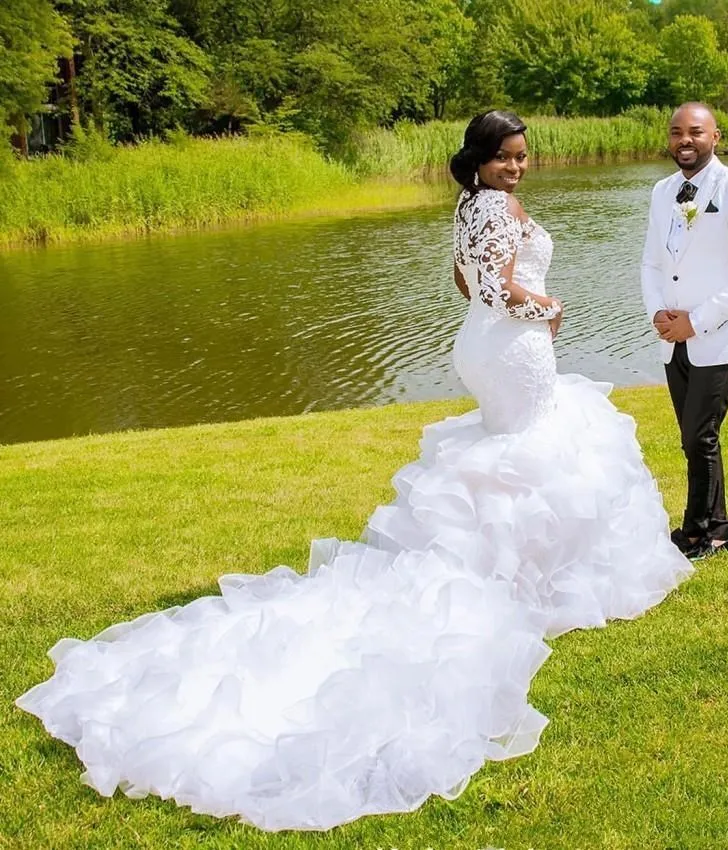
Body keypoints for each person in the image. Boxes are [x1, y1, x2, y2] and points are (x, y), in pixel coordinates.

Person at [16, 110, 692, 832]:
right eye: (505, 158)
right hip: (513, 347)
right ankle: (525, 582)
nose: (517, 168)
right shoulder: (492, 205)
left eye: (524, 158)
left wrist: (516, 309)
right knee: (536, 448)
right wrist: (550, 306)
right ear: (482, 159)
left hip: (487, 346)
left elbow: (464, 287)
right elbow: (496, 292)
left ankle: (521, 571)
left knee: (519, 453)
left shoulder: (470, 204)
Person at [640, 102, 728, 561]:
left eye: (695, 132)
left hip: (718, 336)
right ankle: (716, 528)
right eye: (676, 132)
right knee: (695, 438)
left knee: (699, 436)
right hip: (671, 339)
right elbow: (653, 262)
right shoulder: (661, 191)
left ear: (715, 137)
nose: (684, 140)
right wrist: (658, 313)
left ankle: (698, 532)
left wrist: (694, 322)